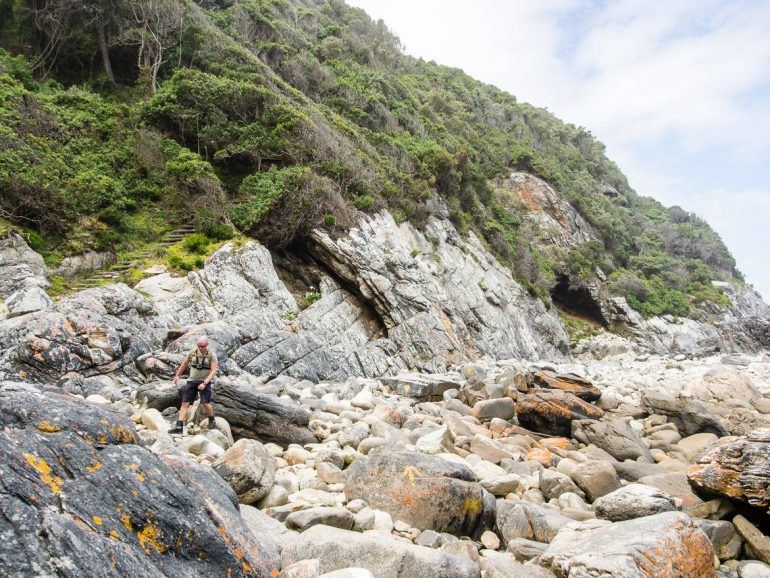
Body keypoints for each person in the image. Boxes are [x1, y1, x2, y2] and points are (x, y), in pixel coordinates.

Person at [169, 336, 219, 434]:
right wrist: (177, 376)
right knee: (185, 403)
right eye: (199, 346)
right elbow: (184, 364)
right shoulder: (192, 352)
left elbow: (214, 370)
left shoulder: (211, 355)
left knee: (205, 403)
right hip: (192, 381)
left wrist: (205, 383)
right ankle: (179, 426)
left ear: (207, 345)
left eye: (202, 346)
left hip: (204, 381)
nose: (200, 348)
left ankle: (212, 419)